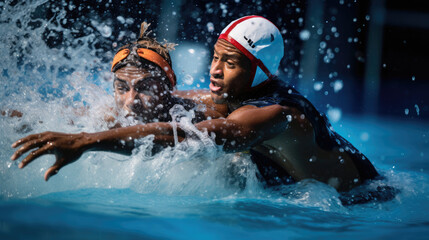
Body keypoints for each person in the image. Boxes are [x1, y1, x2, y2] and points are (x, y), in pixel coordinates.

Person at [11, 16, 379, 193]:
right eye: (215, 58)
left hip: (362, 204)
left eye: (230, 64)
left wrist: (87, 142)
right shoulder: (231, 96)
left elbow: (191, 136)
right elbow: (157, 107)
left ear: (260, 71)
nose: (215, 71)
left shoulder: (277, 115)